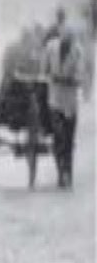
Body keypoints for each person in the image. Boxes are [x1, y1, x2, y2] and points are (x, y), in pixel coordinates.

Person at [45, 26, 84, 187]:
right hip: (54, 100)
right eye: (64, 42)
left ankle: (68, 170)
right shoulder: (51, 47)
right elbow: (44, 68)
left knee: (69, 140)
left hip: (70, 102)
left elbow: (80, 76)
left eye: (68, 42)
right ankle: (60, 171)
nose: (66, 45)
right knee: (58, 136)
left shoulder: (78, 51)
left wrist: (68, 79)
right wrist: (50, 76)